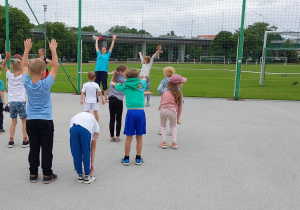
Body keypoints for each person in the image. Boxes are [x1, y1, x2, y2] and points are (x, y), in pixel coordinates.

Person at [21, 38, 59, 184]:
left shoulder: (27, 83)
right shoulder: (46, 84)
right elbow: (55, 67)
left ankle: (33, 173)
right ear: (44, 72)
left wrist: (26, 50)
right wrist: (53, 50)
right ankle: (47, 174)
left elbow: (24, 65)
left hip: (31, 121)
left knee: (34, 147)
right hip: (46, 121)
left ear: (30, 71)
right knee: (47, 147)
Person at [110, 69, 146, 166]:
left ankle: (126, 158)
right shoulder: (141, 84)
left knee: (129, 137)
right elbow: (143, 80)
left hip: (131, 112)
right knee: (139, 137)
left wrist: (114, 83)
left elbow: (118, 86)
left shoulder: (125, 85)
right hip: (140, 112)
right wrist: (142, 78)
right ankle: (138, 158)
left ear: (127, 77)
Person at [2, 52, 29, 148]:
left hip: (11, 102)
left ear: (13, 69)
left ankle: (11, 139)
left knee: (13, 121)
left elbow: (3, 65)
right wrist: (21, 58)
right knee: (24, 121)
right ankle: (25, 139)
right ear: (21, 69)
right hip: (20, 101)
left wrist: (7, 57)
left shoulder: (9, 75)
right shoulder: (23, 77)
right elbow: (27, 66)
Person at [158, 74, 187, 149]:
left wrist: (161, 107)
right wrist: (178, 118)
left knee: (163, 126)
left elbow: (162, 101)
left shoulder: (165, 91)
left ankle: (164, 142)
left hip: (163, 110)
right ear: (177, 84)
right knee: (173, 126)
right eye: (181, 83)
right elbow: (180, 107)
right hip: (172, 111)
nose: (182, 84)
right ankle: (174, 143)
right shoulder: (179, 93)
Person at [70, 112, 99, 184]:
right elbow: (93, 145)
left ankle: (79, 175)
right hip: (85, 129)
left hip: (73, 128)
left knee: (75, 151)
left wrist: (76, 164)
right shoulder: (96, 126)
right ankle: (87, 175)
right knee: (86, 151)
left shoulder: (77, 116)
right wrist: (91, 163)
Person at [108, 65, 127, 142]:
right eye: (125, 72)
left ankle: (112, 136)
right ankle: (117, 136)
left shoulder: (113, 77)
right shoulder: (122, 79)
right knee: (118, 118)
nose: (126, 73)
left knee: (112, 118)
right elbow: (128, 84)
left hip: (111, 99)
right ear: (120, 72)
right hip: (118, 100)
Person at [94, 34, 117, 102]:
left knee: (104, 85)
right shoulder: (99, 54)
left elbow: (111, 47)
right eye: (102, 49)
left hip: (104, 72)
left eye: (104, 49)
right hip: (97, 71)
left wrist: (113, 39)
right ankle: (97, 98)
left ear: (106, 50)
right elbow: (96, 47)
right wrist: (97, 40)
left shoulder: (107, 55)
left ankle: (106, 98)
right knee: (97, 85)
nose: (103, 50)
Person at [157, 66, 175, 135]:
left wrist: (161, 93)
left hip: (165, 98)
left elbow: (159, 88)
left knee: (163, 115)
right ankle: (172, 130)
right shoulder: (174, 80)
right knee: (172, 114)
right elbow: (178, 89)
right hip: (173, 98)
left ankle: (161, 130)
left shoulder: (164, 80)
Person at [0, 66, 5, 134]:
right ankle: (0, 127)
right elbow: (1, 91)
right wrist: (3, 100)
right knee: (0, 114)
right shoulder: (0, 82)